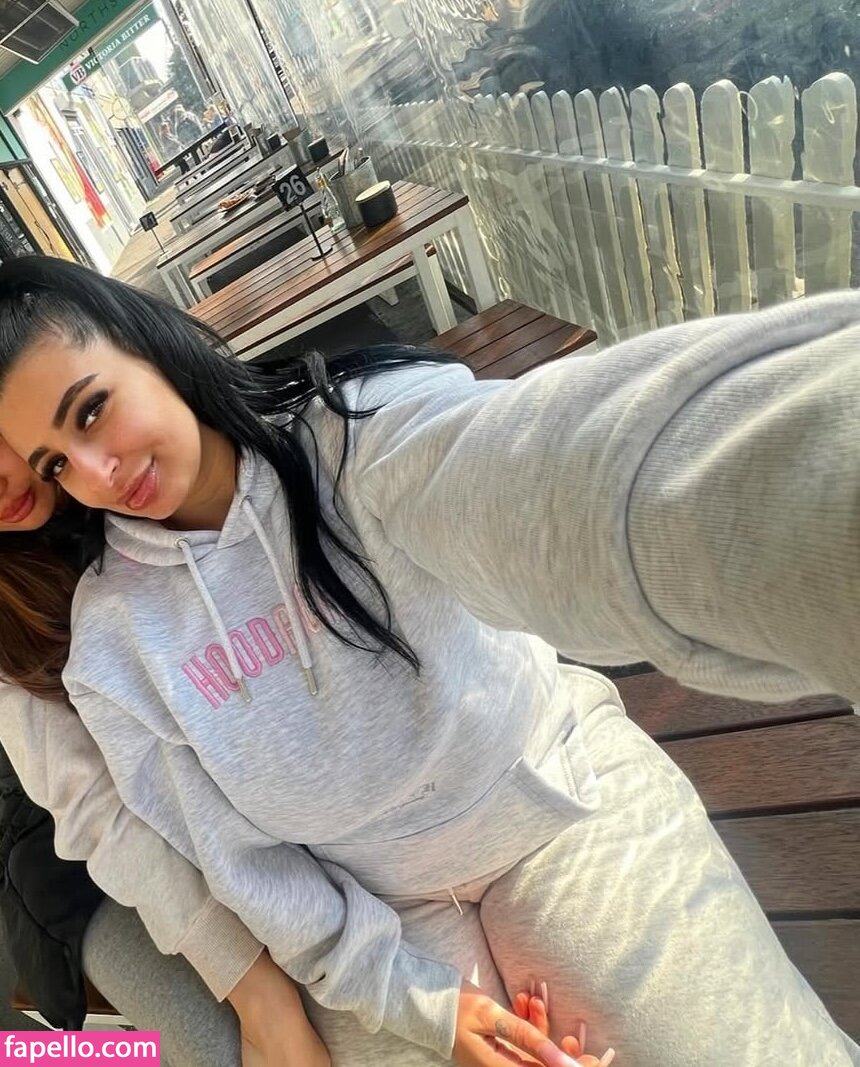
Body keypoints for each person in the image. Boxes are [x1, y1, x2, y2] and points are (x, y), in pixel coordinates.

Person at [0, 255, 856, 1067]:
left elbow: (552, 467)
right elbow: (209, 852)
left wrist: (811, 498)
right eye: (56, 464)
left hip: (546, 802)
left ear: (147, 343)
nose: (96, 473)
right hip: (321, 914)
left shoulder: (355, 433)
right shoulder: (106, 644)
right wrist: (404, 1001)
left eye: (91, 410)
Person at [0, 434, 330, 1066]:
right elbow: (94, 811)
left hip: (237, 776)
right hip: (89, 856)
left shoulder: (146, 457)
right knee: (225, 1049)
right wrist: (258, 995)